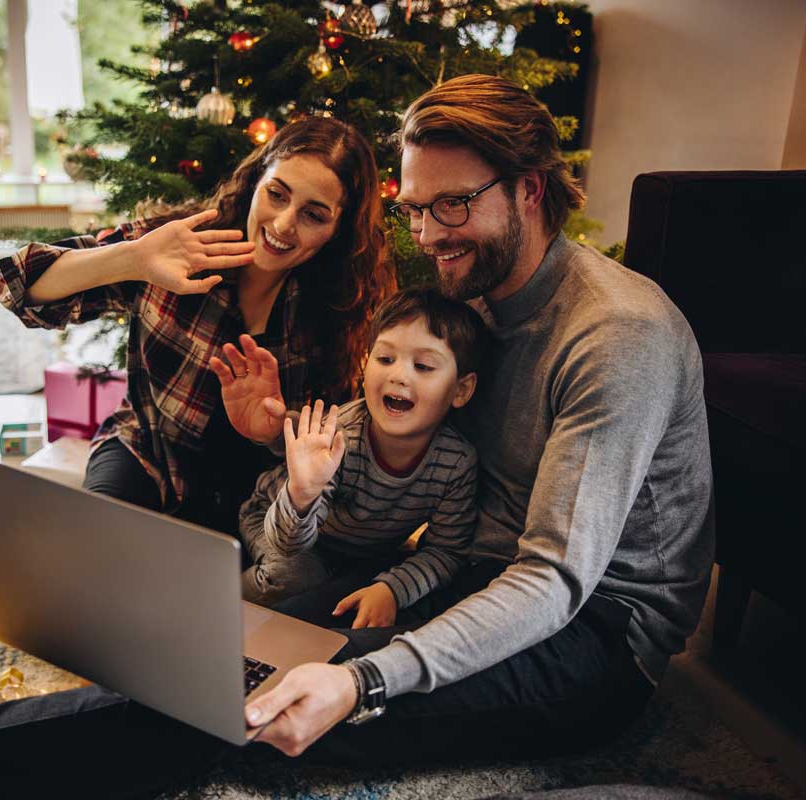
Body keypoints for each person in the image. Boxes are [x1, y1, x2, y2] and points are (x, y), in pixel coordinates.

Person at [240, 74, 715, 762]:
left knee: (269, 715)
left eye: (453, 205)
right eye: (415, 209)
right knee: (246, 649)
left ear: (530, 187)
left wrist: (364, 681)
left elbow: (553, 578)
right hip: (475, 576)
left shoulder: (616, 336)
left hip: (596, 631)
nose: (429, 234)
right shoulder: (475, 304)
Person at [0, 116, 396, 593]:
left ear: (338, 229)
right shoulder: (179, 246)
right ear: (257, 180)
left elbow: (336, 455)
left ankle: (49, 522)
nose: (284, 224)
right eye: (277, 195)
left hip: (253, 499)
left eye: (313, 214)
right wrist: (130, 258)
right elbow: (15, 285)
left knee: (196, 598)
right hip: (147, 452)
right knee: (98, 556)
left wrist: (271, 431)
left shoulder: (344, 311)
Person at [239, 287, 486, 628]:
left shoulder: (456, 462)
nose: (399, 375)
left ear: (460, 390)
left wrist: (392, 589)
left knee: (362, 581)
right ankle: (214, 610)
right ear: (364, 366)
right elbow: (287, 541)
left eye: (424, 366)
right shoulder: (342, 438)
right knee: (295, 577)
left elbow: (446, 551)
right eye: (385, 359)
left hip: (356, 547)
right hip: (278, 516)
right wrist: (302, 493)